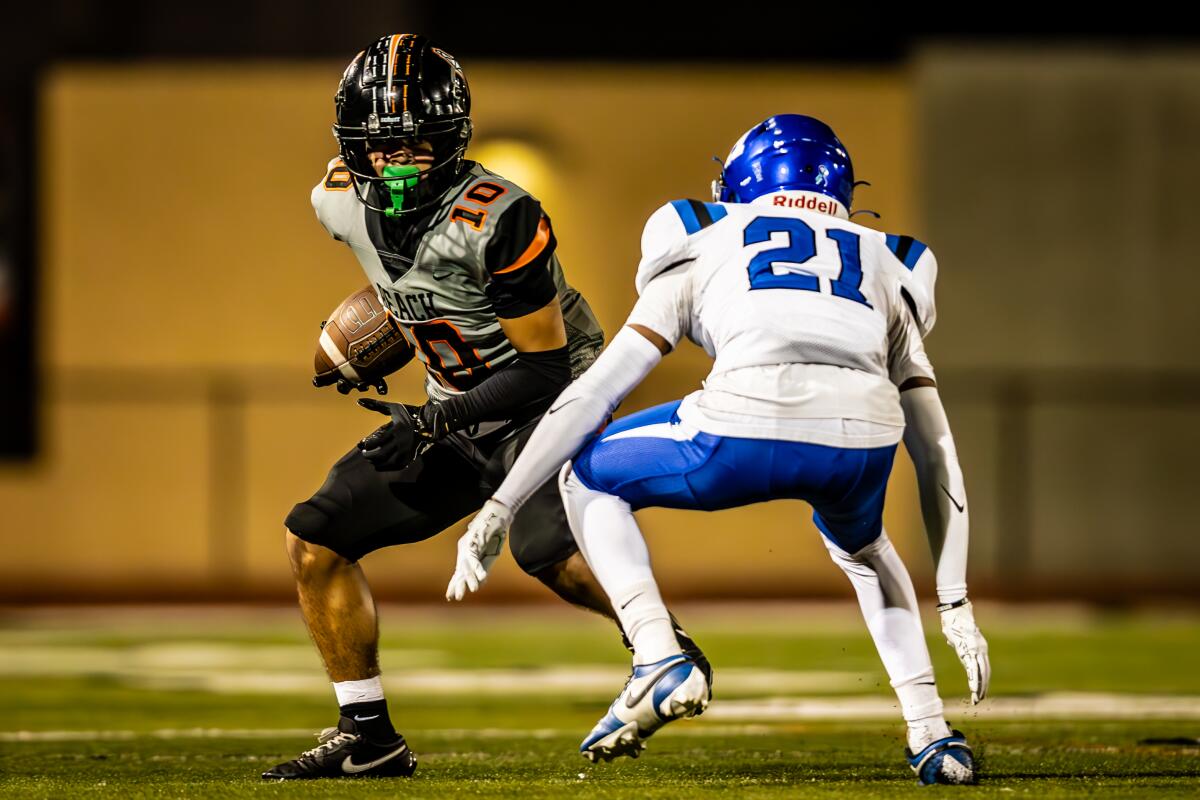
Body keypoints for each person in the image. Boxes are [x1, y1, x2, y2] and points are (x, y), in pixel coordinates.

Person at [447, 114, 981, 785]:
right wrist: (955, 596)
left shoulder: (703, 232)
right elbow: (934, 441)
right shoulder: (890, 259)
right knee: (868, 550)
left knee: (587, 477)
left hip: (741, 423)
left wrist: (499, 505)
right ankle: (932, 733)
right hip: (863, 439)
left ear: (739, 183)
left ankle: (656, 654)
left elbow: (596, 393)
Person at [262, 33, 709, 781]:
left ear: (450, 141)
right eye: (379, 147)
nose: (393, 164)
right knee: (315, 541)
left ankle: (663, 643)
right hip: (453, 408)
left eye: (414, 147)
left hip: (549, 404)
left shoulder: (499, 219)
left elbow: (540, 366)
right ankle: (368, 735)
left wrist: (439, 417)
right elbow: (413, 290)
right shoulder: (338, 202)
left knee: (546, 553)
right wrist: (387, 335)